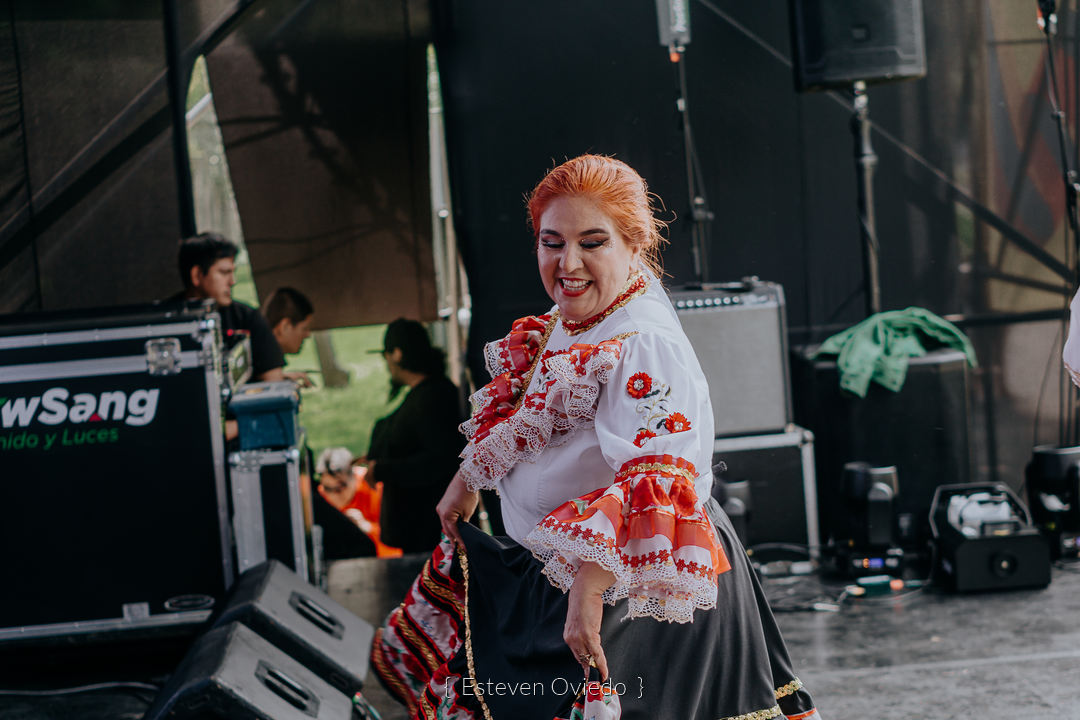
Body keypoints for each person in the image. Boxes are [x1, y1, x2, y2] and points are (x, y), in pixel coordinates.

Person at [370, 156, 822, 720]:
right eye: (551, 242)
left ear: (635, 245)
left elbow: (659, 480)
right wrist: (468, 480)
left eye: (592, 242)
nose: (568, 263)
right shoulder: (571, 319)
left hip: (633, 588)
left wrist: (587, 594)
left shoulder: (642, 343)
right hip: (571, 575)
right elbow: (527, 412)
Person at [364, 319, 464, 553]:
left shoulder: (433, 397)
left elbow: (438, 461)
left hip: (431, 537)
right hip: (423, 534)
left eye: (386, 357)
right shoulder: (428, 394)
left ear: (396, 355)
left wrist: (382, 469)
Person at [174, 232, 285, 382]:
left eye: (233, 272)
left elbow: (273, 382)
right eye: (224, 272)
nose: (232, 281)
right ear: (197, 275)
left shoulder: (248, 318)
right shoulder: (166, 321)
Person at [315, 446, 400, 558]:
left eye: (339, 488)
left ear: (353, 477)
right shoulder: (321, 497)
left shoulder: (376, 490)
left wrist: (366, 526)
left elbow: (398, 538)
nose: (333, 495)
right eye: (328, 488)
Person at [262, 286, 316, 387]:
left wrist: (283, 377)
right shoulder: (265, 355)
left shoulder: (263, 354)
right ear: (284, 326)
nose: (307, 335)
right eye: (304, 328)